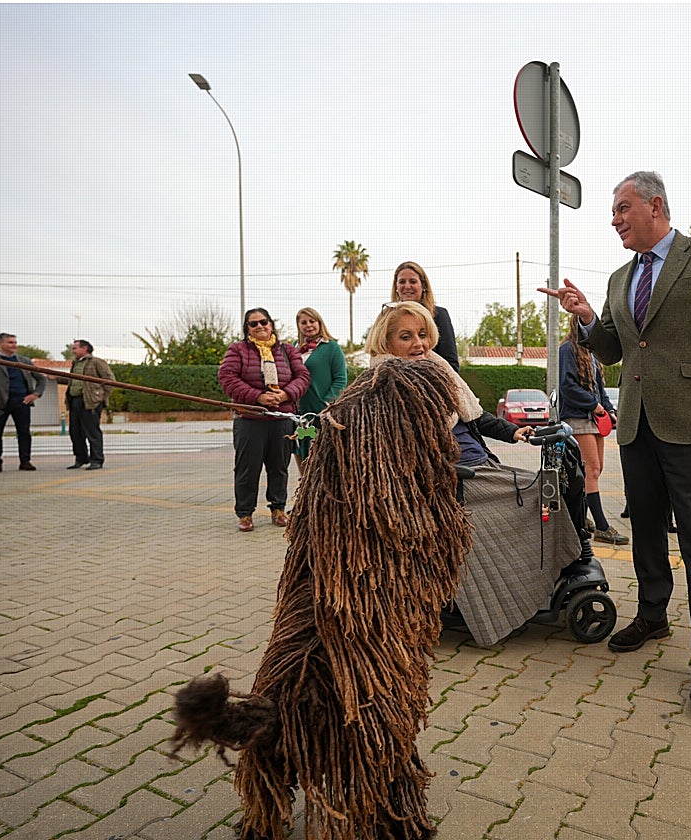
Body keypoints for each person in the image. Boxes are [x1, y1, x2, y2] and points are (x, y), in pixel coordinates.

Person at [170, 358, 474, 840]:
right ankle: (388, 820)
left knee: (278, 711)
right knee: (377, 726)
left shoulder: (332, 485)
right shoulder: (399, 501)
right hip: (363, 669)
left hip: (295, 659)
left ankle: (263, 818)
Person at [542, 171, 691, 711]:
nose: (614, 219)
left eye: (622, 208)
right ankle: (653, 616)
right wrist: (587, 316)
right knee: (647, 533)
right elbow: (613, 350)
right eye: (613, 211)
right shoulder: (618, 278)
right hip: (637, 425)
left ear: (655, 205)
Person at [365, 301, 583, 645]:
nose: (419, 344)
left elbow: (474, 417)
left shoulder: (436, 368)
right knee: (545, 492)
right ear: (386, 342)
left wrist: (515, 432)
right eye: (406, 337)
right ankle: (540, 580)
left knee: (553, 482)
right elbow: (408, 451)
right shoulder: (391, 383)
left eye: (423, 334)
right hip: (457, 476)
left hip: (476, 462)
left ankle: (538, 577)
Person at [218, 308, 310, 533]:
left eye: (263, 322)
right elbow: (227, 378)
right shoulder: (237, 350)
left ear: (271, 324)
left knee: (279, 467)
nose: (259, 326)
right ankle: (245, 513)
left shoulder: (288, 350)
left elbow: (303, 377)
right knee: (247, 469)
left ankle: (278, 509)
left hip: (281, 419)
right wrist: (257, 396)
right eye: (253, 324)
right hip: (250, 419)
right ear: (246, 328)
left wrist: (286, 394)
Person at [559, 314, 627, 545]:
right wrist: (594, 406)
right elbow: (567, 387)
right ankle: (602, 527)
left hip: (595, 417)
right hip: (578, 418)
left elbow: (600, 389)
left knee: (595, 470)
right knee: (592, 470)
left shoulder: (592, 354)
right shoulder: (567, 350)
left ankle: (581, 519)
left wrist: (609, 410)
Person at [0, 332, 47, 473]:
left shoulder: (24, 361)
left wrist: (35, 394)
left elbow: (41, 378)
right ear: (0, 344)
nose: (14, 345)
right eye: (10, 342)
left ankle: (25, 461)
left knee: (24, 433)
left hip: (21, 403)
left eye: (15, 342)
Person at [291, 307, 347, 472]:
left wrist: (327, 403)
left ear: (319, 322)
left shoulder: (332, 347)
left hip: (320, 413)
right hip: (299, 414)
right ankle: (304, 496)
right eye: (304, 322)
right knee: (302, 456)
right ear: (298, 325)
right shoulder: (295, 348)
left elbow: (340, 379)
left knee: (322, 462)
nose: (308, 325)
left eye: (312, 321)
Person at [391, 260, 460, 370]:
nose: (407, 286)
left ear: (423, 286)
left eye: (412, 281)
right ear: (396, 287)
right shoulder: (388, 318)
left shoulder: (439, 315)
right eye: (402, 282)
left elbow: (451, 363)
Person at [63, 340, 115, 470]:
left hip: (90, 402)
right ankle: (81, 458)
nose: (72, 350)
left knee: (92, 432)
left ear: (84, 348)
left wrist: (100, 397)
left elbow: (110, 380)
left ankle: (97, 460)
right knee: (75, 432)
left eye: (75, 348)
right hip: (75, 400)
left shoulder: (96, 362)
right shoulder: (75, 363)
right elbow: (73, 380)